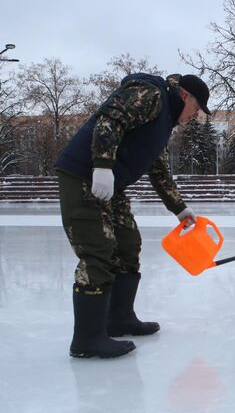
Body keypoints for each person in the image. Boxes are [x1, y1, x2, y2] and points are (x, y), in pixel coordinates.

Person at [54, 73, 211, 358]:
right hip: (83, 176)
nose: (195, 116)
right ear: (185, 96)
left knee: (128, 245)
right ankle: (87, 340)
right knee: (97, 250)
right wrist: (102, 166)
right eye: (197, 108)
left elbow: (157, 167)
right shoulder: (151, 94)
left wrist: (180, 209)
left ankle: (119, 319)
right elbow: (109, 120)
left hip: (110, 186)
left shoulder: (164, 123)